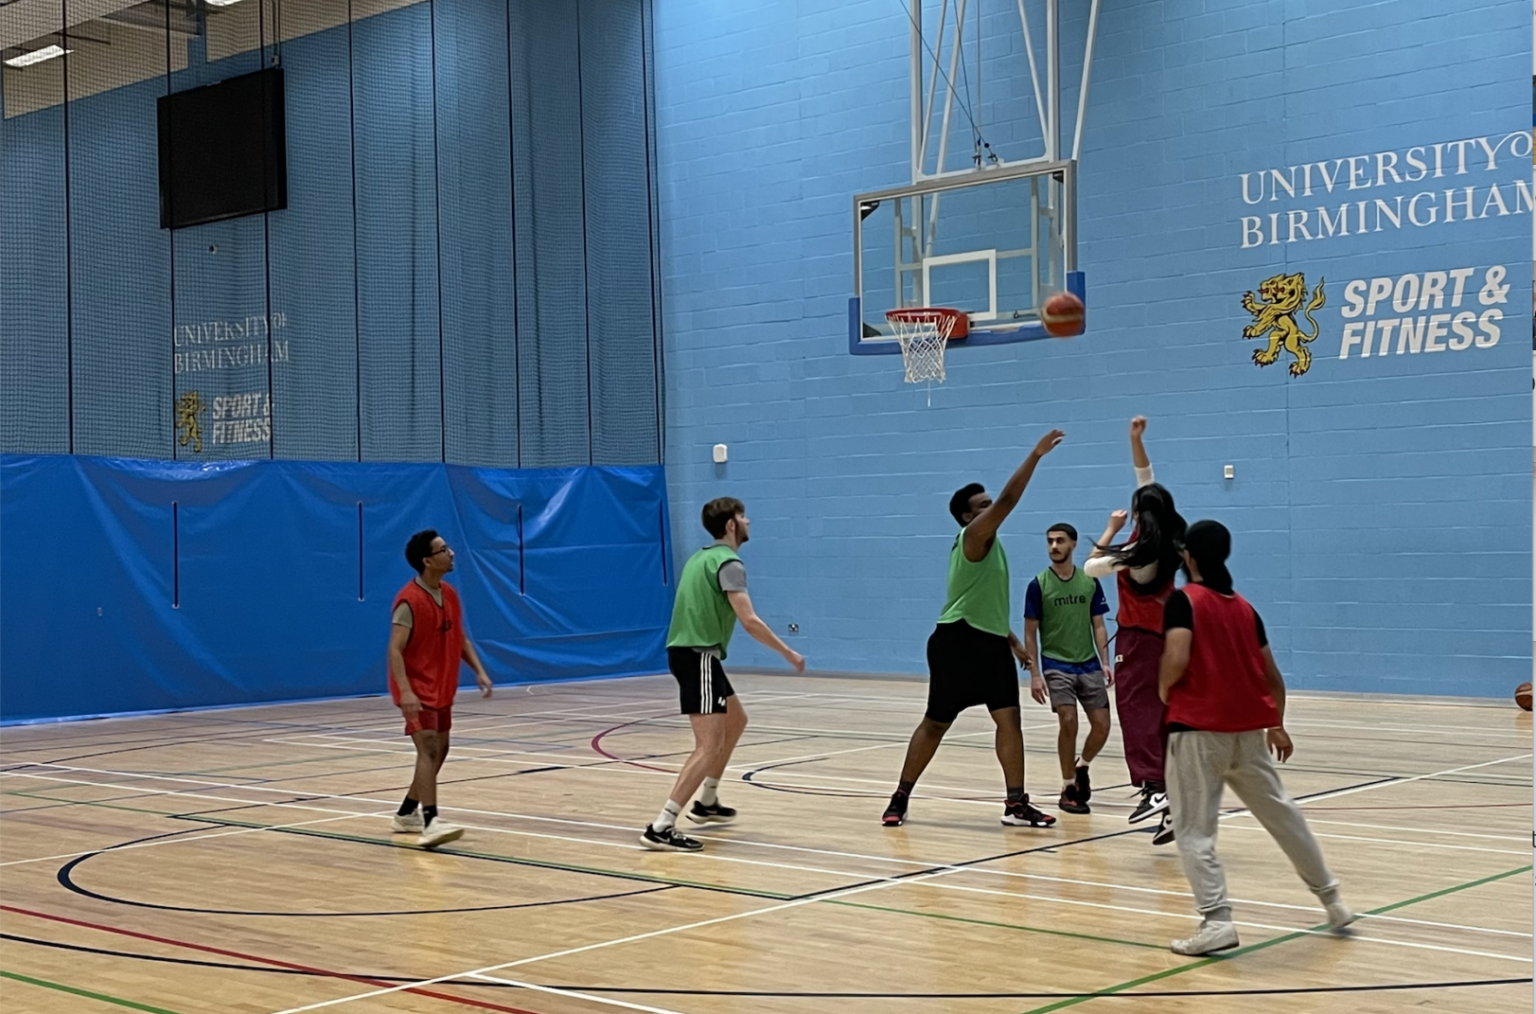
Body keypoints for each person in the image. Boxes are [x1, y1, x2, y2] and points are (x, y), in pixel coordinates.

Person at [1158, 520, 1355, 955]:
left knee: (1194, 831)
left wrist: (1163, 690)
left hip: (1197, 730)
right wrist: (1277, 724)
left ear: (1188, 556)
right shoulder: (1246, 609)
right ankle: (1333, 900)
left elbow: (1176, 656)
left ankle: (1216, 921)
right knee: (1284, 817)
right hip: (1247, 732)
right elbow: (1273, 678)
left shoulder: (1183, 601)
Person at [882, 430, 1065, 830]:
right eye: (981, 506)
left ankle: (1016, 803)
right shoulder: (974, 536)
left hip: (991, 643)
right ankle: (901, 795)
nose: (989, 509)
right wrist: (1034, 455)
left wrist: (1013, 643)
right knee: (935, 723)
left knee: (1009, 722)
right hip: (956, 643)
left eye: (987, 504)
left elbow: (987, 603)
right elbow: (1008, 500)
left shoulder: (992, 547)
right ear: (968, 517)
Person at [642, 497, 806, 852]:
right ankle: (663, 825)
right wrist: (787, 651)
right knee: (708, 745)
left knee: (737, 720)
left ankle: (708, 801)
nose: (748, 521)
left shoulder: (699, 558)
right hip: (698, 655)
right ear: (731, 525)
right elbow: (749, 620)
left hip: (694, 655)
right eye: (743, 516)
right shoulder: (729, 563)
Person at [1084, 416, 1184, 846]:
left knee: (1137, 713)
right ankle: (1174, 802)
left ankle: (1155, 788)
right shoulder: (1164, 539)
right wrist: (1135, 441)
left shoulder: (1133, 552)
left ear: (1140, 513)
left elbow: (1089, 568)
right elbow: (1149, 482)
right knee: (1162, 716)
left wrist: (1107, 532)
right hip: (1166, 638)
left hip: (1139, 642)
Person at [387, 529, 494, 849]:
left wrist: (479, 670)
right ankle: (431, 820)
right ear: (427, 561)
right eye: (443, 549)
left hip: (442, 686)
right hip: (417, 687)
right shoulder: (408, 600)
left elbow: (459, 637)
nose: (451, 553)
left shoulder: (449, 594)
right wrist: (405, 691)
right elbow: (394, 650)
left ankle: (407, 813)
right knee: (428, 749)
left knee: (441, 750)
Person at [1024, 523, 1113, 815]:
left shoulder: (1089, 581)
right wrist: (1035, 673)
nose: (1054, 546)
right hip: (1055, 664)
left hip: (1088, 662)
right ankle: (1068, 786)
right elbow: (1030, 634)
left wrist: (1105, 661)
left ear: (1073, 544)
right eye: (1050, 541)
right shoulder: (1038, 585)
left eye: (1060, 541)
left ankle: (1082, 766)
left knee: (1102, 727)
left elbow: (1098, 625)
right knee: (1068, 720)